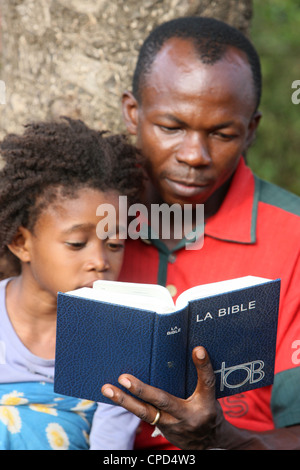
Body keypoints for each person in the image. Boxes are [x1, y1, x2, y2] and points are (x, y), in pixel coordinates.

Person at [101, 16, 300, 450]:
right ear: (133, 113)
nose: (194, 155)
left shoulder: (293, 238)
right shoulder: (87, 219)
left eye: (222, 133)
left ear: (251, 131)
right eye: (171, 127)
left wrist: (221, 439)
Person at [0, 117, 142, 450]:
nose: (100, 261)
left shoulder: (117, 346)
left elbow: (111, 448)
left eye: (115, 243)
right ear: (22, 243)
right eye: (77, 243)